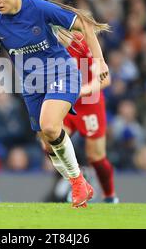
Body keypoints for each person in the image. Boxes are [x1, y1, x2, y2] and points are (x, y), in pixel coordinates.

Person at [0, 0, 110, 208]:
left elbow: (85, 25)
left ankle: (82, 184)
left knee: (50, 126)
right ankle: (79, 182)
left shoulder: (38, 7)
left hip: (63, 73)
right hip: (32, 85)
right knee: (48, 144)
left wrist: (98, 61)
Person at [42, 26, 118, 203]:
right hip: (64, 101)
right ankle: (77, 182)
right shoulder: (46, 47)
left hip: (89, 103)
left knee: (96, 157)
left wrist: (81, 91)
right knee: (49, 141)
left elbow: (105, 79)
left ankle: (110, 196)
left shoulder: (83, 44)